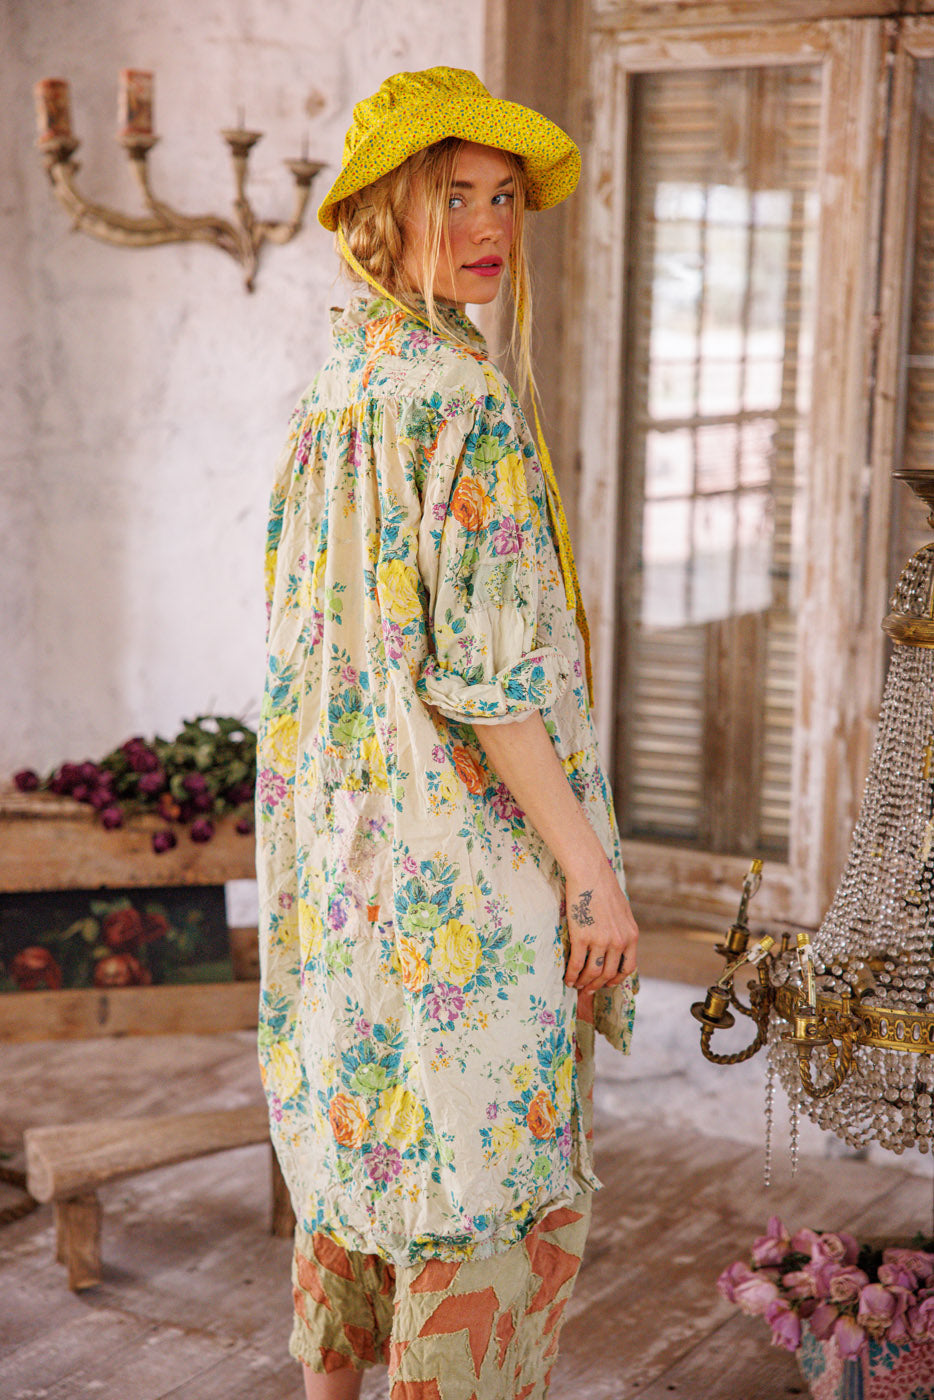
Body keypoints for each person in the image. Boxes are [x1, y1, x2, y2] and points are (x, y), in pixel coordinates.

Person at [256, 66, 639, 1400]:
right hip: (463, 863)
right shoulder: (457, 397)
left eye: (503, 198)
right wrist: (589, 874)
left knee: (366, 1138)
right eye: (452, 195)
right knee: (482, 1173)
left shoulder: (341, 378)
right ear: (383, 212)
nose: (487, 226)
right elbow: (488, 685)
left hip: (347, 854)